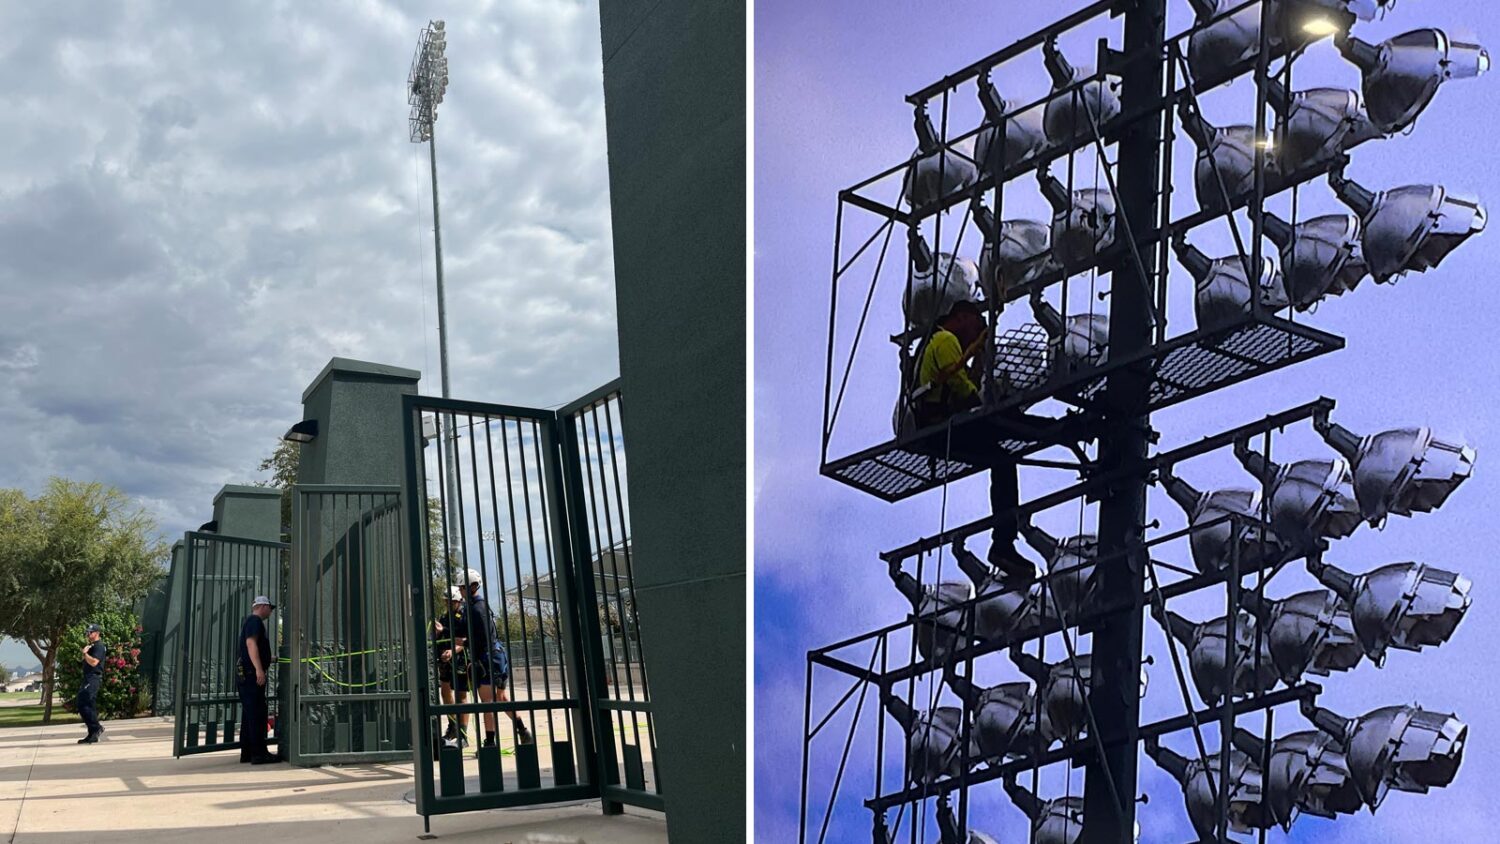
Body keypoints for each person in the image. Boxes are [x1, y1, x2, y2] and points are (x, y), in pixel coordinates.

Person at [912, 298, 1033, 580]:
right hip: (940, 428)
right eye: (975, 325)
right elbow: (960, 388)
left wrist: (978, 361)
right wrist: (983, 401)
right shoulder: (944, 340)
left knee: (1002, 460)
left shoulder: (936, 343)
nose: (973, 333)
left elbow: (959, 380)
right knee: (1007, 428)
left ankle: (1003, 543)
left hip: (940, 429)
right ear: (964, 317)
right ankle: (1003, 544)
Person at [459, 568, 532, 748]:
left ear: (473, 586)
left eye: (463, 587)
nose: (460, 590)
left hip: (488, 658)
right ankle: (523, 731)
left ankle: (490, 743)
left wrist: (465, 642)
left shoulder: (477, 608)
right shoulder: (476, 606)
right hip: (496, 657)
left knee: (487, 702)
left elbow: (482, 637)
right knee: (501, 698)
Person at [238, 595, 279, 764]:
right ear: (263, 606)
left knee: (249, 715)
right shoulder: (255, 621)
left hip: (246, 674)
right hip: (251, 675)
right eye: (270, 607)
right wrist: (259, 670)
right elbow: (251, 644)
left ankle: (247, 753)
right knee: (257, 714)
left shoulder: (250, 621)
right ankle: (259, 754)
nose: (270, 611)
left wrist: (269, 658)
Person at [434, 585, 470, 747]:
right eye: (446, 601)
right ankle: (452, 726)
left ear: (458, 601)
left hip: (461, 659)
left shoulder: (463, 616)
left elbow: (465, 640)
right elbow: (442, 637)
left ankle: (463, 734)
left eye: (451, 601)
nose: (448, 603)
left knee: (461, 696)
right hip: (445, 660)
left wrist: (452, 651)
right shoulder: (443, 617)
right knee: (445, 691)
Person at [76, 623, 106, 744]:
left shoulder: (99, 646)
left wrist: (85, 654)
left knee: (82, 703)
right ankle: (92, 733)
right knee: (88, 705)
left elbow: (94, 662)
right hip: (89, 678)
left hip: (93, 678)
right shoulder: (92, 646)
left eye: (91, 632)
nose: (88, 634)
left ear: (97, 633)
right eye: (87, 632)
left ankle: (96, 728)